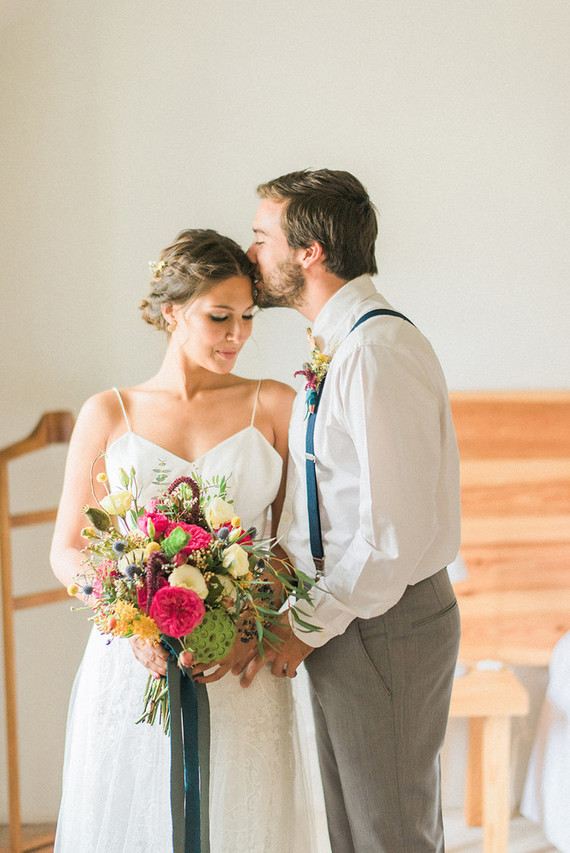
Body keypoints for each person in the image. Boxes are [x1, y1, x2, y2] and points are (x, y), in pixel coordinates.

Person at [50, 229, 325, 853]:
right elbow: (67, 547)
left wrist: (247, 625)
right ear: (173, 311)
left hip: (240, 663)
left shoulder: (274, 404)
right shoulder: (109, 411)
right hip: (131, 662)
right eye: (220, 317)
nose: (239, 335)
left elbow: (294, 543)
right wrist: (130, 621)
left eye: (248, 318)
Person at [238, 169, 462, 852]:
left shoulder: (375, 349)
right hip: (351, 614)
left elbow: (393, 536)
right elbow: (330, 497)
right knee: (356, 833)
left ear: (309, 252)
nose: (251, 256)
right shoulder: (339, 342)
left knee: (390, 830)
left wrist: (306, 626)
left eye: (261, 237)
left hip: (384, 621)